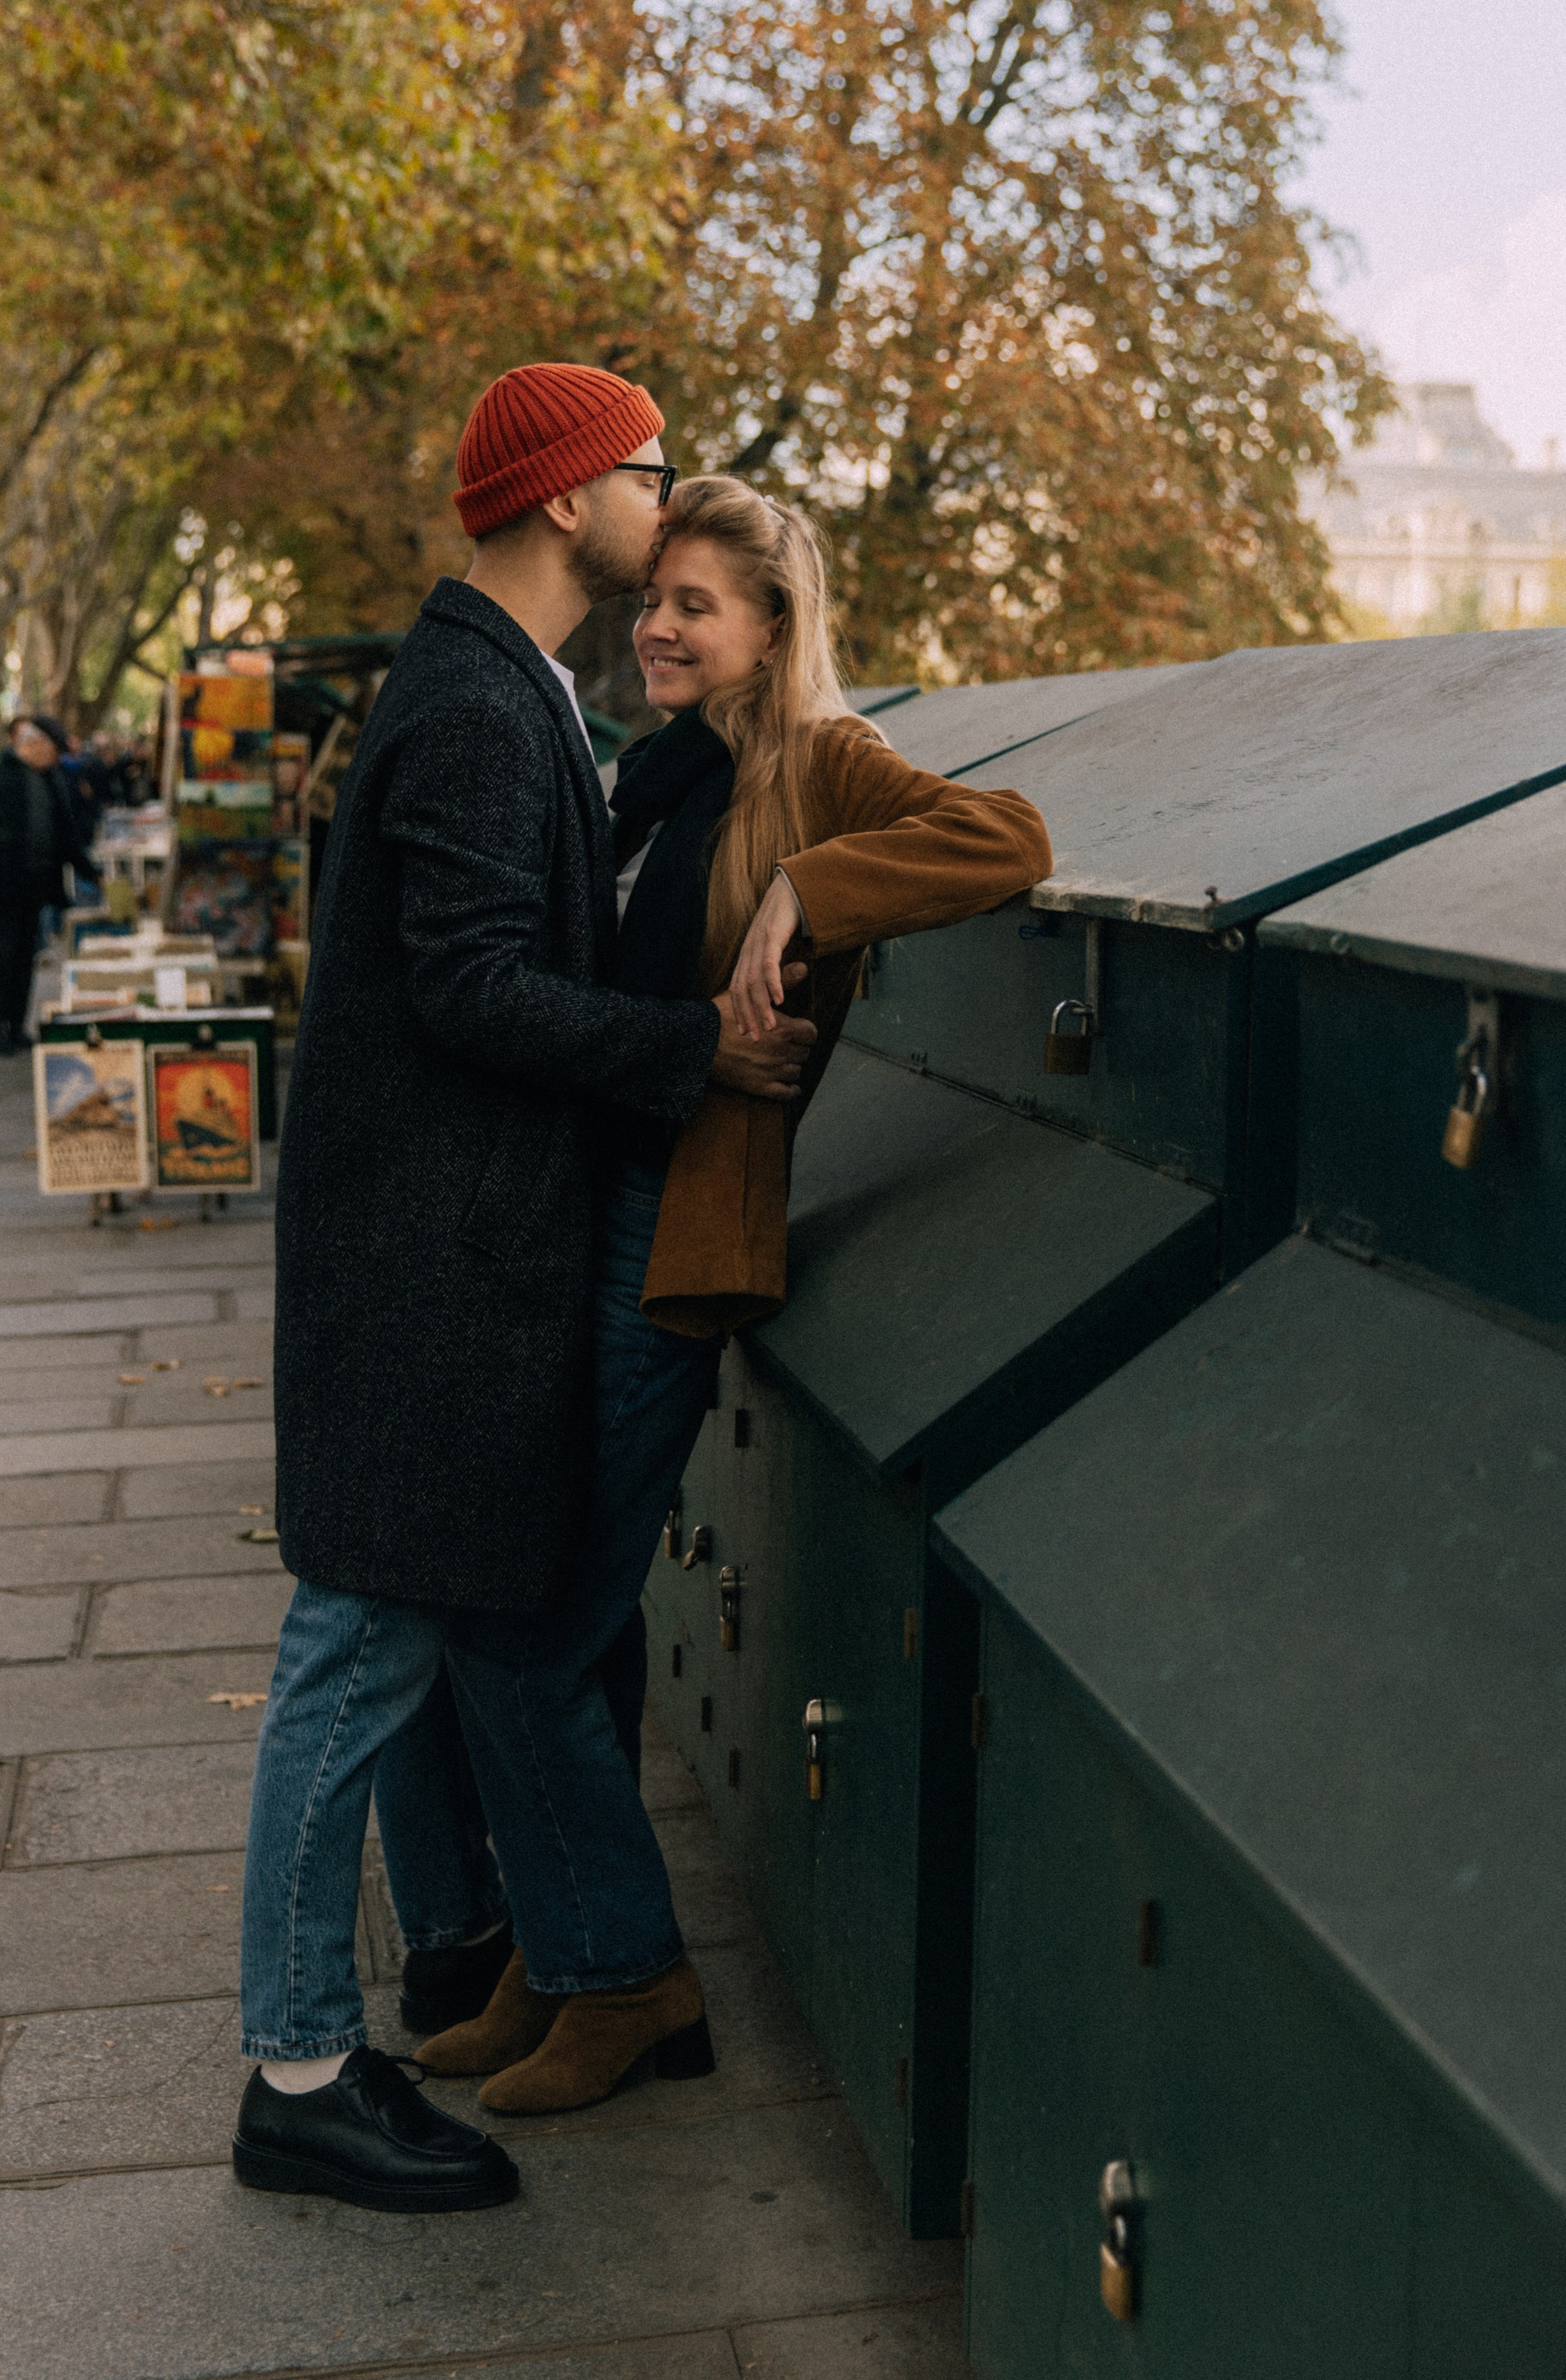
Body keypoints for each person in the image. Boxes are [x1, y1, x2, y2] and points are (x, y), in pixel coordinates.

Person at [234, 365, 816, 2218]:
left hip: (430, 1251)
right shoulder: (489, 712)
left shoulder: (500, 693)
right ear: (572, 498)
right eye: (648, 473)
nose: (667, 502)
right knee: (349, 1664)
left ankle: (420, 1999)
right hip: (428, 1265)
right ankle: (301, 2070)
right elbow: (479, 991)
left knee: (389, 1653)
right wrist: (692, 1053)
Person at [403, 473, 1052, 2116]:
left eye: (697, 603)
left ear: (773, 628)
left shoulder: (815, 763)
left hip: (671, 1242)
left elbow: (1008, 835)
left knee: (529, 1625)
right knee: (566, 1618)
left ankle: (628, 1979)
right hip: (571, 1219)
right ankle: (566, 1956)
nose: (659, 623)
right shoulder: (641, 772)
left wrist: (807, 889)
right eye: (655, 597)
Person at [0, 715, 98, 1054]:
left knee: (23, 957)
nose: (56, 757)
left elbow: (66, 831)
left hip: (37, 882)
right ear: (34, 745)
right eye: (52, 749)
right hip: (1, 884)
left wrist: (89, 870)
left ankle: (16, 1025)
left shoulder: (52, 779)